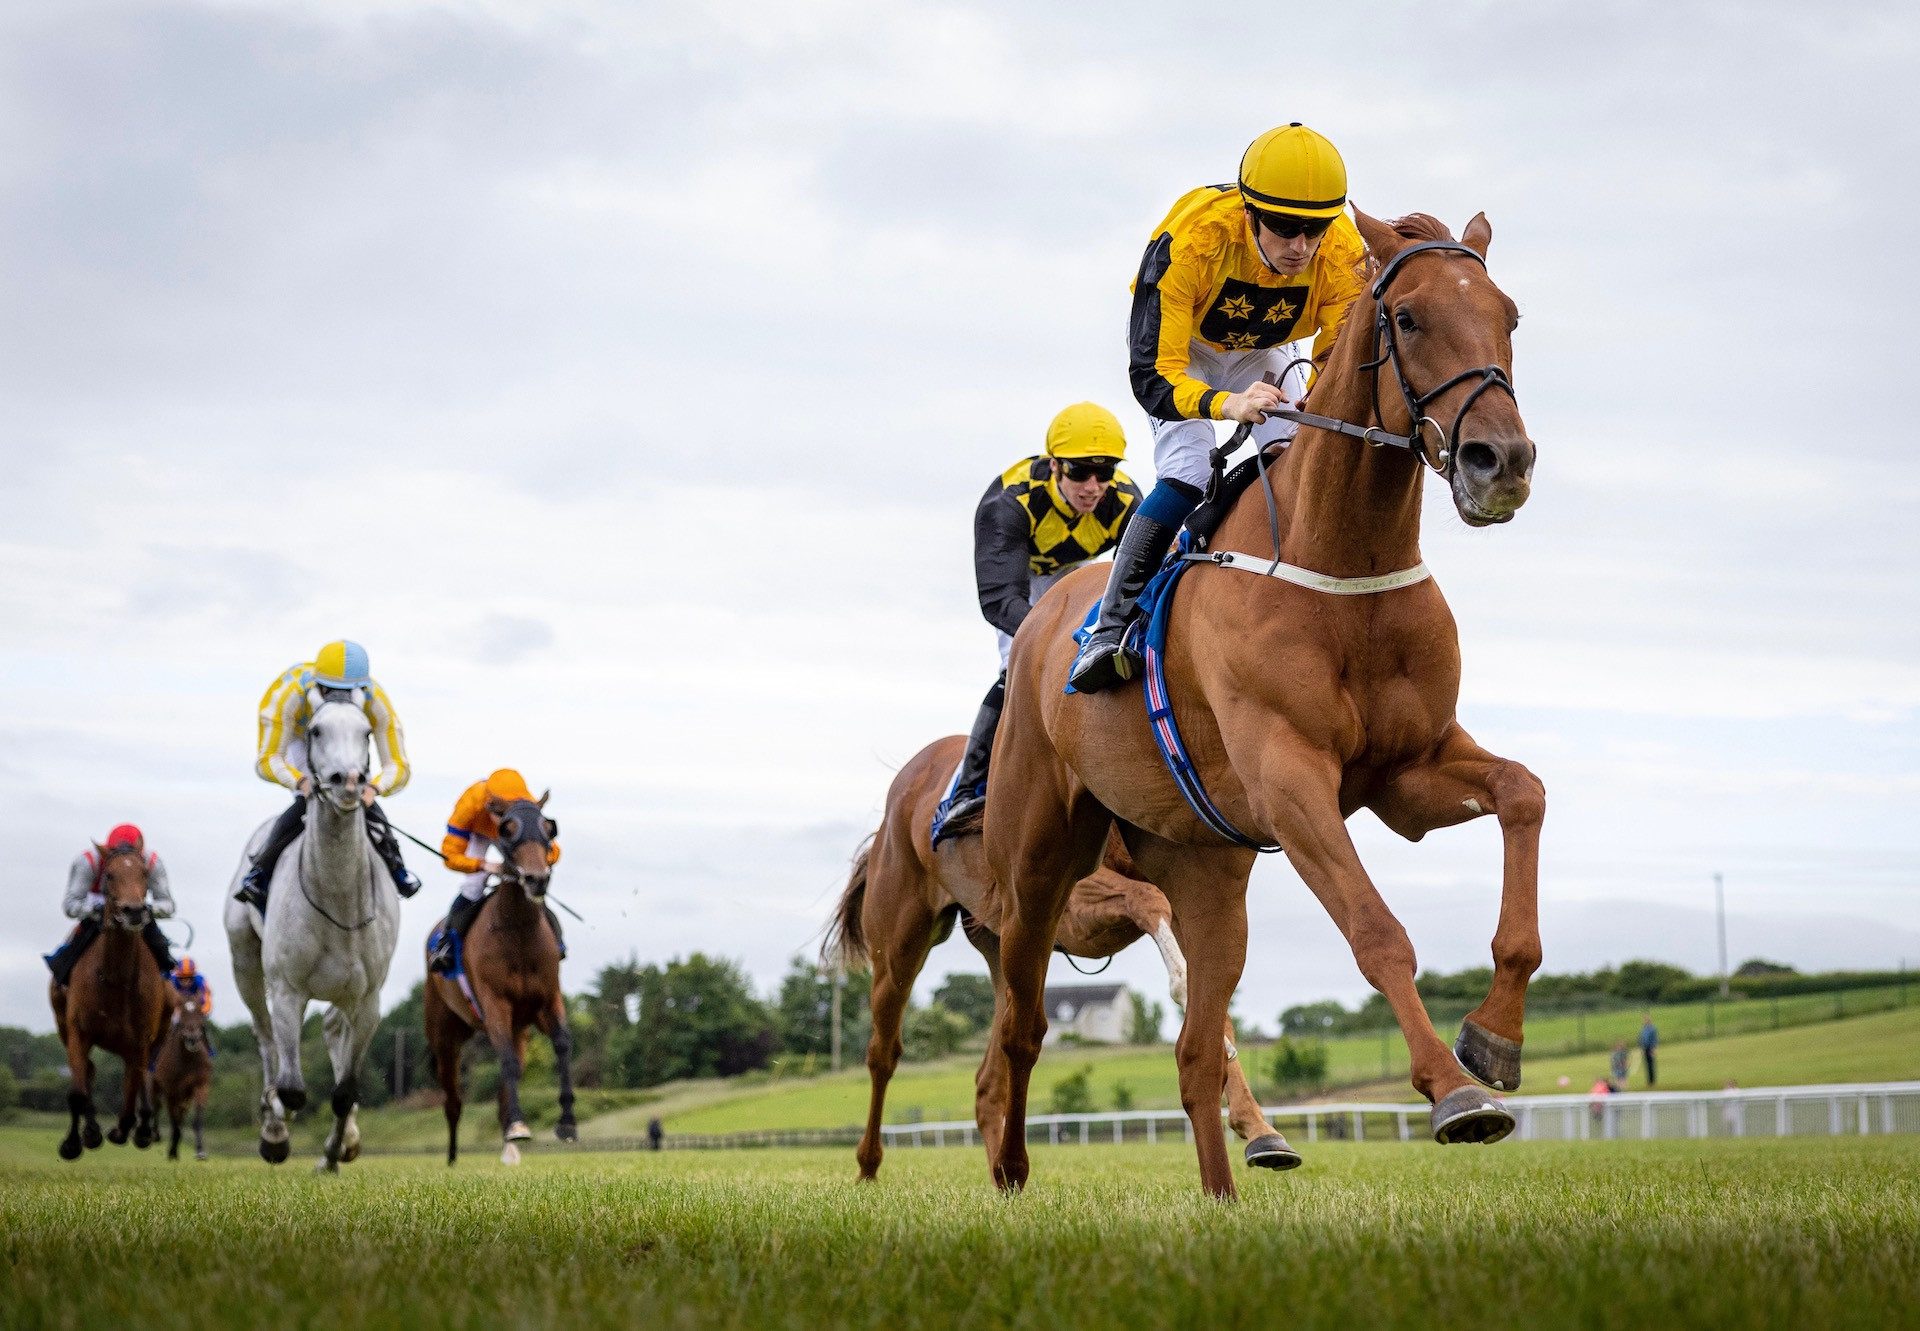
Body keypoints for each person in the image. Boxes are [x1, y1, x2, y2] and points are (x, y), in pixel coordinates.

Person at [1070, 123, 1370, 692]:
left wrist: (1318, 396)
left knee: (1297, 455)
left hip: (1265, 349)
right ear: (1250, 212)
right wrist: (1226, 404)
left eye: (1315, 229)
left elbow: (1336, 355)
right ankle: (1107, 630)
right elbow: (1152, 376)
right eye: (1284, 227)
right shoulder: (1191, 242)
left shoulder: (1345, 254)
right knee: (1187, 471)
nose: (1301, 246)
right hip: (1184, 354)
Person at [936, 404, 1142, 833]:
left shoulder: (1125, 501)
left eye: (1105, 472)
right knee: (1017, 665)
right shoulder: (1008, 505)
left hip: (1074, 570)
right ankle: (967, 787)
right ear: (1054, 466)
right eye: (1080, 472)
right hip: (1019, 577)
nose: (1092, 487)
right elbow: (999, 602)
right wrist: (1056, 642)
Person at [235, 639, 418, 909]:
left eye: (349, 693)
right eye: (330, 691)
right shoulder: (289, 695)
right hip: (301, 738)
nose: (340, 699)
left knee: (361, 797)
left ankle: (397, 867)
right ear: (317, 686)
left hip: (348, 737)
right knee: (306, 799)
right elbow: (267, 759)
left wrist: (374, 789)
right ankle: (260, 871)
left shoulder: (375, 700)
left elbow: (398, 765)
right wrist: (300, 781)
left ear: (362, 689)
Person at [428, 769, 563, 975]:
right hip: (477, 833)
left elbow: (553, 852)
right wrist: (483, 865)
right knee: (474, 885)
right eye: (499, 815)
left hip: (512, 835)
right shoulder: (470, 804)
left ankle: (557, 941)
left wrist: (533, 867)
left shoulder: (527, 809)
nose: (501, 820)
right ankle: (446, 944)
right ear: (489, 805)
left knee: (533, 888)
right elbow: (450, 856)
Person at [45, 823, 175, 985]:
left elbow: (168, 905)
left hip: (137, 909)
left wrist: (148, 910)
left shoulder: (152, 862)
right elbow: (70, 905)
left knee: (162, 951)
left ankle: (168, 976)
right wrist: (95, 910)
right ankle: (61, 982)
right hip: (97, 909)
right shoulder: (88, 861)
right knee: (66, 956)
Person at [1639, 1013, 1659, 1086]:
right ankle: (1649, 1080)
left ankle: (1652, 1081)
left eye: (1646, 1019)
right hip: (1645, 1048)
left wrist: (1654, 1048)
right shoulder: (1643, 1029)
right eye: (1644, 1019)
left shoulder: (1653, 1028)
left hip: (1651, 1048)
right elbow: (1641, 1039)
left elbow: (1655, 1039)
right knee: (1647, 1065)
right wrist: (1641, 1048)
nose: (1645, 1021)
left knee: (1651, 1064)